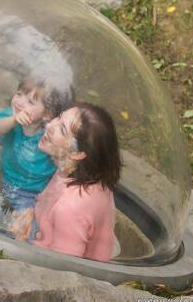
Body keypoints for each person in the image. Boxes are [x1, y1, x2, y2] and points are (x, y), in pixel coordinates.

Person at [10, 102, 121, 262]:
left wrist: (19, 242)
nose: (49, 125)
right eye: (59, 118)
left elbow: (62, 270)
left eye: (62, 129)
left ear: (78, 153)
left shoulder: (70, 208)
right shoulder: (88, 174)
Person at [0, 78, 73, 211]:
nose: (19, 102)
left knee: (23, 224)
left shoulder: (48, 134)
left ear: (46, 114)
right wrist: (13, 120)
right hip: (4, 179)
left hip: (31, 192)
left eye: (30, 101)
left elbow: (62, 157)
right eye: (19, 94)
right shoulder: (11, 117)